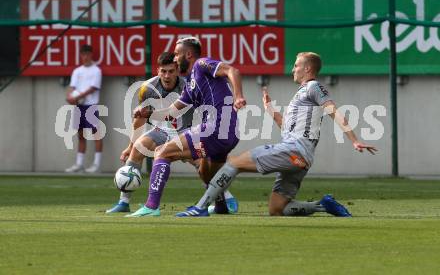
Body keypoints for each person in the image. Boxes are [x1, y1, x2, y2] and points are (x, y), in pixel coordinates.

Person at [176, 52, 377, 217]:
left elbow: (333, 109)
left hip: (294, 151)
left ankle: (200, 207)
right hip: (300, 157)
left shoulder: (314, 87)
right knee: (277, 209)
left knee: (233, 164)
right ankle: (323, 205)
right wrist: (270, 110)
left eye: (297, 65)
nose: (293, 69)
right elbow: (287, 128)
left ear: (307, 69)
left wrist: (354, 140)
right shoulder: (302, 94)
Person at [126, 36, 246, 217]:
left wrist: (238, 96)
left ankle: (151, 206)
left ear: (188, 54)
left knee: (162, 152)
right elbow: (171, 113)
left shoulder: (201, 64)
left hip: (214, 127)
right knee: (206, 172)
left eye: (176, 54)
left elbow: (233, 71)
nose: (174, 58)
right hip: (229, 134)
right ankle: (221, 207)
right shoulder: (190, 85)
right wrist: (147, 114)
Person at [65, 45, 103, 173]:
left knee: (96, 134)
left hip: (91, 105)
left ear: (91, 55)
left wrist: (79, 96)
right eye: (83, 54)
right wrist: (70, 97)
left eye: (87, 54)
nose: (85, 57)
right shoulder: (77, 71)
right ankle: (79, 164)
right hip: (79, 106)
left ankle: (97, 165)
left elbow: (93, 88)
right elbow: (72, 87)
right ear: (80, 55)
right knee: (80, 135)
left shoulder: (96, 70)